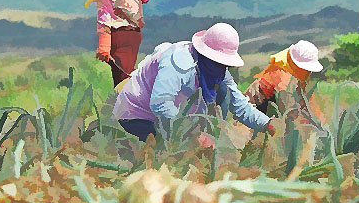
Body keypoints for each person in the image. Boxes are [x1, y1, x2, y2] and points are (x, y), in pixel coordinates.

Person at [113, 22, 278, 141]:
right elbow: (160, 104)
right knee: (174, 158)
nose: (222, 67)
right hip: (138, 116)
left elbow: (239, 105)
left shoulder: (218, 71)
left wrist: (267, 124)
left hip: (173, 120)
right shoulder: (179, 62)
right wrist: (192, 136)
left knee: (224, 92)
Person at [85, 0, 151, 87]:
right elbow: (104, 15)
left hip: (132, 35)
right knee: (123, 80)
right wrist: (104, 44)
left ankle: (125, 100)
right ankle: (123, 101)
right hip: (120, 34)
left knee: (126, 77)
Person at [245, 40, 324, 120]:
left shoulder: (297, 75)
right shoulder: (282, 76)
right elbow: (290, 111)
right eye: (306, 69)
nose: (308, 73)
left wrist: (320, 120)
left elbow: (307, 100)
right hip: (251, 111)